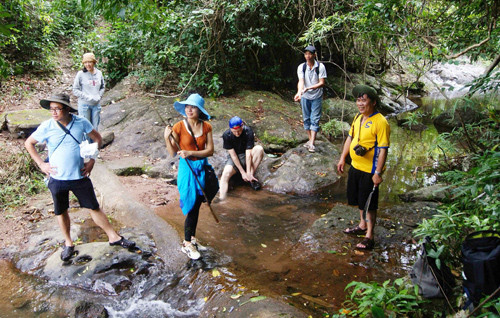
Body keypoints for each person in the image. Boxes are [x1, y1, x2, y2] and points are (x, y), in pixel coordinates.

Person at [25, 94, 135, 262]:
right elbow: (29, 143)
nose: (53, 112)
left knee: (93, 207)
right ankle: (68, 243)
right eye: (51, 109)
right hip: (57, 177)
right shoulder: (47, 126)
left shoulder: (81, 122)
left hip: (79, 175)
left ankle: (113, 237)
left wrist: (92, 161)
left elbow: (97, 138)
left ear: (67, 109)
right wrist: (41, 164)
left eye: (57, 109)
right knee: (61, 210)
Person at [337, 85, 390, 250]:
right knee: (358, 199)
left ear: (373, 102)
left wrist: (378, 173)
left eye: (363, 100)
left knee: (369, 203)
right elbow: (350, 138)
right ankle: (362, 225)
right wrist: (342, 158)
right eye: (358, 100)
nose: (360, 104)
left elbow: (383, 149)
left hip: (370, 170)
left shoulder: (380, 121)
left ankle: (370, 236)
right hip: (355, 166)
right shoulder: (358, 118)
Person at [163, 93, 214, 260]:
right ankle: (186, 244)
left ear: (199, 110)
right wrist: (166, 138)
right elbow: (172, 152)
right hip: (187, 168)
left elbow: (210, 151)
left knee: (198, 203)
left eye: (193, 107)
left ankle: (192, 238)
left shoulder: (206, 126)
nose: (189, 109)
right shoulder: (179, 126)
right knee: (191, 203)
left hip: (201, 166)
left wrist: (190, 152)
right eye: (187, 106)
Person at [219, 116, 264, 200]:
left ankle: (250, 178)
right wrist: (242, 172)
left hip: (246, 154)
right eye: (234, 131)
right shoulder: (226, 135)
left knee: (259, 149)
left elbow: (248, 154)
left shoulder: (248, 131)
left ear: (242, 126)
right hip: (235, 157)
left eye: (239, 131)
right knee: (225, 174)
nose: (237, 134)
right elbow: (233, 155)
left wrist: (248, 172)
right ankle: (222, 199)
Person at [294, 45, 327, 153]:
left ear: (314, 55)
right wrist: (299, 92)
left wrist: (309, 88)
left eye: (310, 54)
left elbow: (322, 83)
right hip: (305, 96)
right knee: (306, 119)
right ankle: (310, 140)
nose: (307, 56)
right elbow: (301, 81)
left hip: (316, 96)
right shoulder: (301, 67)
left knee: (315, 119)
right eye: (306, 54)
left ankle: (312, 143)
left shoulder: (320, 67)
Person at [73, 53, 105, 132]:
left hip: (96, 105)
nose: (88, 64)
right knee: (86, 130)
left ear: (94, 62)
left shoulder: (99, 73)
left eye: (90, 62)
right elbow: (75, 90)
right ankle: (86, 144)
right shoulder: (80, 74)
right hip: (84, 106)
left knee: (95, 129)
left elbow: (103, 87)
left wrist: (99, 96)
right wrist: (87, 97)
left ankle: (95, 144)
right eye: (85, 62)